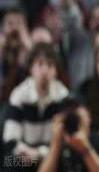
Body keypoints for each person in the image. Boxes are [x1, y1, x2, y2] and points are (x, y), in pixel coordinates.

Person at [2, 43, 68, 171]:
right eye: (40, 64)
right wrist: (27, 152)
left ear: (55, 71)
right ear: (31, 69)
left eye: (50, 65)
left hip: (51, 154)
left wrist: (39, 154)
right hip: (25, 156)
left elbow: (65, 140)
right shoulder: (19, 95)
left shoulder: (62, 96)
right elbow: (10, 140)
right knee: (8, 161)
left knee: (66, 159)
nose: (45, 71)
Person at [38, 102, 99, 172]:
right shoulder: (59, 145)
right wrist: (55, 142)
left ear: (89, 117)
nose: (74, 114)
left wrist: (86, 150)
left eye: (79, 117)